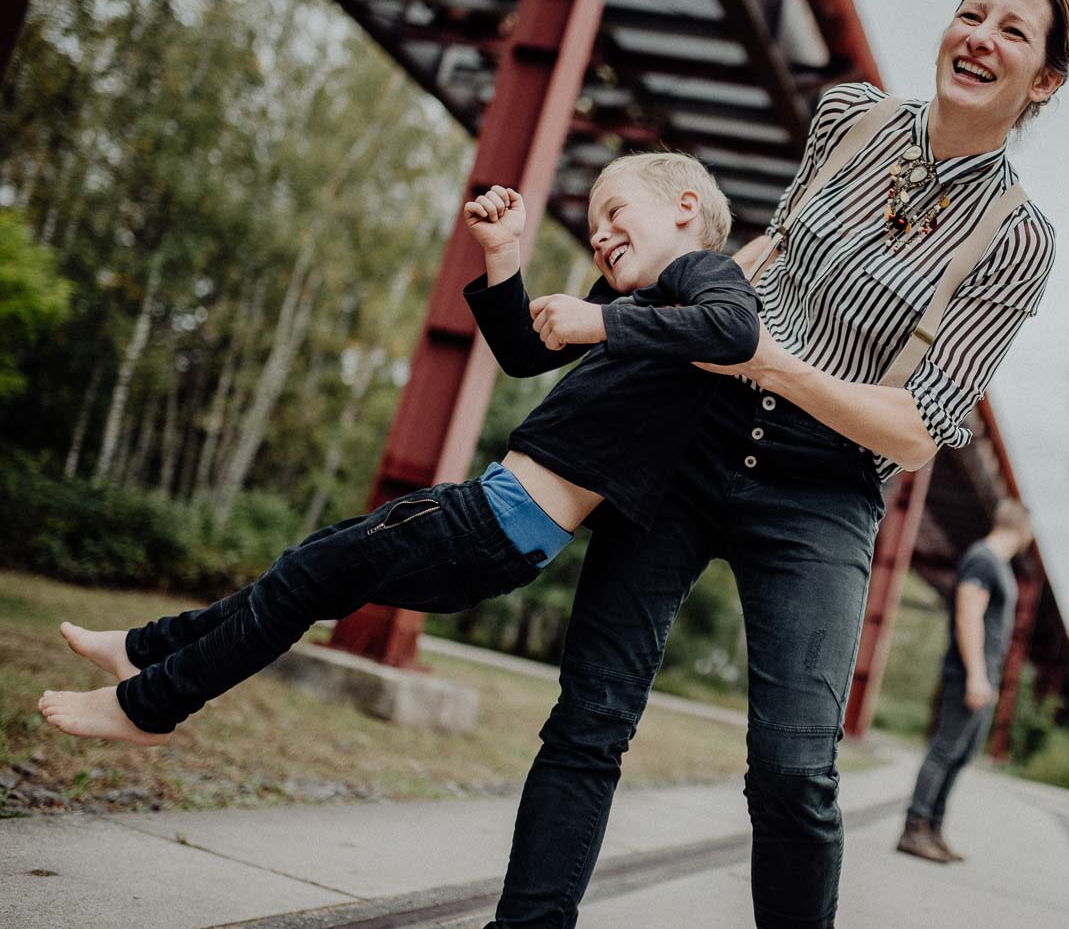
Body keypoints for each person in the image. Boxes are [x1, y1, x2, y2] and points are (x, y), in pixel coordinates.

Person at [488, 0, 1069, 928]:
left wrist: (771, 364)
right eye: (969, 13)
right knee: (589, 717)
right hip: (694, 431)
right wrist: (664, 309)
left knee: (794, 773)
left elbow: (923, 426)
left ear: (1043, 80)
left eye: (1013, 31)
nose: (979, 36)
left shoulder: (1018, 239)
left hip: (823, 487)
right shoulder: (846, 115)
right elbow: (777, 246)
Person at [36, 153, 759, 746]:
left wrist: (597, 325)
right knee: (307, 573)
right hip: (492, 525)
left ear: (684, 209)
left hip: (490, 525)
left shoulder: (702, 279)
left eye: (615, 212)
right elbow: (520, 350)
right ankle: (148, 650)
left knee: (306, 574)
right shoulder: (639, 310)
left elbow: (736, 333)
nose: (600, 235)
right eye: (596, 223)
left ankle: (146, 705)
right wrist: (505, 254)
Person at [897, 499, 1032, 863]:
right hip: (968, 673)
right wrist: (976, 674)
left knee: (961, 754)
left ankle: (934, 828)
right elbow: (968, 616)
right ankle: (915, 828)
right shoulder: (983, 559)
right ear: (1022, 530)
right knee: (945, 750)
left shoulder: (996, 565)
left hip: (983, 676)